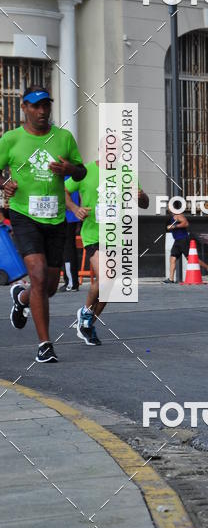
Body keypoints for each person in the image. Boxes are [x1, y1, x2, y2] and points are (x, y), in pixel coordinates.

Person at [0, 86, 86, 362]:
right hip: (24, 215)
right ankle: (45, 344)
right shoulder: (11, 139)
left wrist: (69, 170)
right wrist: (5, 185)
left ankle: (22, 298)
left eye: (46, 106)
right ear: (24, 108)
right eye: (35, 106)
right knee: (37, 276)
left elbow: (81, 170)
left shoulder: (63, 137)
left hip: (57, 218)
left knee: (48, 287)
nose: (41, 111)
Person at [65, 155, 149, 345]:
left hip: (116, 236)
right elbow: (63, 190)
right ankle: (85, 312)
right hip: (93, 235)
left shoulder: (125, 173)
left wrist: (141, 197)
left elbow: (144, 202)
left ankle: (88, 325)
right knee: (107, 277)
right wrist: (74, 208)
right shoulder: (85, 171)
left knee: (109, 286)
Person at [163, 208, 208, 283]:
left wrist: (174, 227)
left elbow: (186, 223)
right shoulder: (173, 217)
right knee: (172, 258)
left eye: (169, 207)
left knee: (190, 258)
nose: (168, 209)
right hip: (177, 241)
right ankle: (171, 279)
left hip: (183, 239)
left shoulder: (178, 215)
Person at [60, 186, 81, 291]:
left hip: (68, 215)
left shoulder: (67, 176)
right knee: (67, 248)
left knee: (67, 249)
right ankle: (71, 281)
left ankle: (71, 282)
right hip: (68, 215)